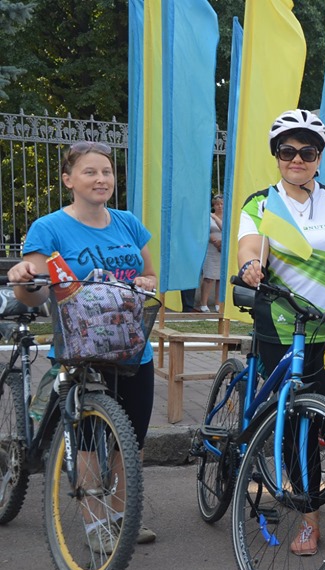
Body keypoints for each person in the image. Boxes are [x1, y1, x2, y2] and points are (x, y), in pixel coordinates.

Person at [236, 109, 325, 565]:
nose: (297, 159)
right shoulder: (260, 204)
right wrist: (249, 266)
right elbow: (246, 246)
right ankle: (308, 518)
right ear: (277, 156)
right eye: (287, 151)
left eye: (307, 151)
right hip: (284, 329)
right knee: (296, 425)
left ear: (319, 158)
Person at [7, 141, 159, 548]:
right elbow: (36, 293)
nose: (101, 179)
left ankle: (123, 518)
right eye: (90, 172)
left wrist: (147, 282)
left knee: (131, 443)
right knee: (92, 442)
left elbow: (149, 275)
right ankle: (98, 527)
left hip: (132, 348)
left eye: (106, 171)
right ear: (68, 179)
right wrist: (24, 280)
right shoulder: (49, 228)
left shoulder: (128, 222)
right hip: (80, 350)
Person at [196, 194, 223, 312]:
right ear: (213, 205)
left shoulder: (228, 217)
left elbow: (226, 229)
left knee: (220, 278)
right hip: (211, 249)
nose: (220, 206)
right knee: (209, 277)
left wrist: (222, 242)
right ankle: (203, 303)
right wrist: (212, 239)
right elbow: (202, 231)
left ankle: (218, 303)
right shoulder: (208, 217)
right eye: (217, 204)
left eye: (222, 204)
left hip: (223, 249)